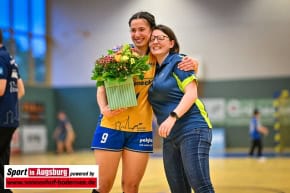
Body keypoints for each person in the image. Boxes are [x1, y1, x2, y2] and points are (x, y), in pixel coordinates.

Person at [91, 11, 199, 193]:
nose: (137, 34)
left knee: (131, 186)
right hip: (111, 126)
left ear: (152, 31)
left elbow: (180, 63)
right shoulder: (119, 56)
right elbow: (101, 87)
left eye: (142, 29)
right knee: (103, 186)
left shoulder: (158, 58)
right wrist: (103, 108)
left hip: (140, 131)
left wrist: (194, 63)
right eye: (133, 30)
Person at [148, 24, 215, 193]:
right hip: (170, 137)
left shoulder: (179, 62)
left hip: (193, 128)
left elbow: (191, 94)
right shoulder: (151, 72)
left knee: (201, 186)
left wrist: (172, 117)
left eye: (160, 38)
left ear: (171, 43)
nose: (155, 41)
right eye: (152, 39)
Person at [0, 29, 25, 193]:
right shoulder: (10, 58)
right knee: (3, 166)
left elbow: (0, 89)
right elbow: (21, 91)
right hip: (10, 120)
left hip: (1, 119)